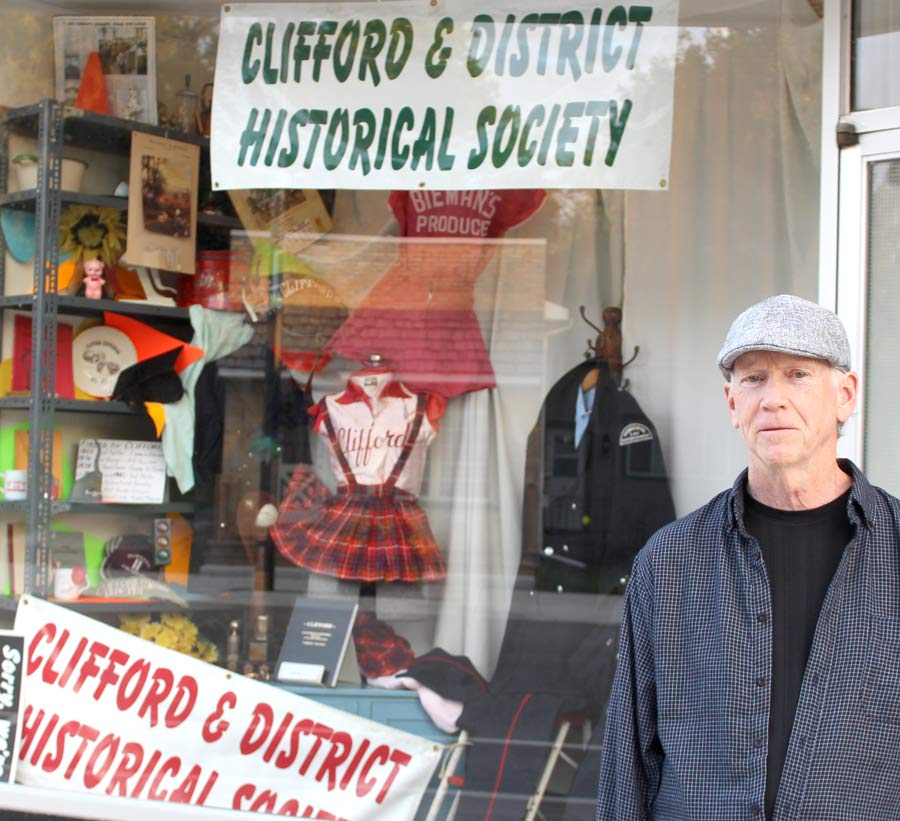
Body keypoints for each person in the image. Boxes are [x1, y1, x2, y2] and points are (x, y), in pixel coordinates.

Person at [596, 294, 900, 821]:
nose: (773, 399)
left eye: (798, 374)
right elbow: (629, 763)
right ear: (732, 403)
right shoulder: (668, 564)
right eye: (753, 378)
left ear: (845, 395)